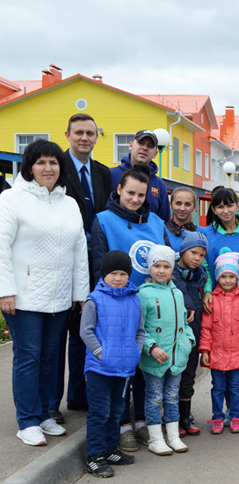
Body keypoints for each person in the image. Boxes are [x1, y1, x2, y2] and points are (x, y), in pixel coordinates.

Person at [0, 140, 89, 446]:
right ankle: (26, 420)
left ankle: (42, 414)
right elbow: (0, 246)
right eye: (41, 162)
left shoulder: (69, 203)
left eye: (53, 162)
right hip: (22, 296)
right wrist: (5, 290)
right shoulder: (12, 199)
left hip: (60, 297)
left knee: (50, 357)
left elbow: (79, 250)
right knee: (28, 356)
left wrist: (80, 293)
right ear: (29, 166)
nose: (48, 168)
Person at [91, 168, 176, 451]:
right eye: (130, 193)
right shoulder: (103, 220)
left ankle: (142, 421)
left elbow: (167, 264)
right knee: (121, 369)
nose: (136, 199)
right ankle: (122, 426)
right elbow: (98, 266)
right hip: (118, 307)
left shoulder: (156, 222)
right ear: (119, 190)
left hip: (151, 308)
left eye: (141, 194)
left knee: (146, 369)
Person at [50, 113, 112, 422]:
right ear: (68, 134)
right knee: (60, 333)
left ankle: (79, 395)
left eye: (90, 132)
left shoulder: (102, 173)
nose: (84, 137)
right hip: (63, 262)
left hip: (95, 262)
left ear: (96, 136)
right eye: (79, 132)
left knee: (86, 328)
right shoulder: (54, 169)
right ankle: (52, 402)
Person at [80, 251, 144, 477]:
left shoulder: (134, 299)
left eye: (123, 273)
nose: (118, 278)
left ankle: (109, 449)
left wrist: (136, 352)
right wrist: (100, 353)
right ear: (104, 274)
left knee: (117, 410)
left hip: (125, 368)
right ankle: (94, 455)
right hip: (100, 368)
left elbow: (140, 331)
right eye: (113, 273)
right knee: (99, 412)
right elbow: (86, 331)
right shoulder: (94, 299)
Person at [201, 186, 239, 423]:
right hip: (218, 301)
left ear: (237, 205)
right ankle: (225, 408)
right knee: (222, 358)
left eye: (230, 204)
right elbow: (203, 264)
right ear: (213, 209)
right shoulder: (206, 233)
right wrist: (206, 290)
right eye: (220, 206)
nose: (226, 210)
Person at [137, 245, 195, 455]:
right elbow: (139, 327)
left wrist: (188, 342)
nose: (161, 271)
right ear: (150, 267)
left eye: (166, 266)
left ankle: (173, 436)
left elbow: (185, 323)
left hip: (176, 357)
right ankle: (155, 438)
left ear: (172, 269)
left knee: (172, 396)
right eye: (157, 266)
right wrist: (151, 347)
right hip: (156, 358)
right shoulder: (143, 294)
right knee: (154, 397)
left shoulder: (177, 293)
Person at [200, 250, 239, 435]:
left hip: (237, 353)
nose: (227, 280)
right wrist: (205, 350)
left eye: (231, 276)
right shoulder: (212, 300)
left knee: (236, 387)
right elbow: (206, 328)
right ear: (217, 277)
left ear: (237, 278)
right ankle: (218, 417)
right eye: (223, 276)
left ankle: (235, 416)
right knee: (217, 387)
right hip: (217, 353)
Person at [175, 232, 208, 436]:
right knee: (173, 377)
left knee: (188, 376)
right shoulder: (172, 272)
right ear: (182, 251)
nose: (197, 258)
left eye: (202, 255)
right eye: (193, 252)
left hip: (193, 335)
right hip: (174, 336)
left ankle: (185, 417)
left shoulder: (201, 275)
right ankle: (173, 418)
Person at [109, 130, 170, 222]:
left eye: (150, 146)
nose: (144, 148)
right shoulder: (110, 175)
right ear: (130, 145)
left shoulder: (159, 184)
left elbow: (163, 221)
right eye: (141, 143)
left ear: (155, 153)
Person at [165, 186, 200, 250]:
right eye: (178, 203)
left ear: (194, 207)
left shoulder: (202, 233)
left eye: (187, 204)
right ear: (171, 205)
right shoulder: (161, 231)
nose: (182, 208)